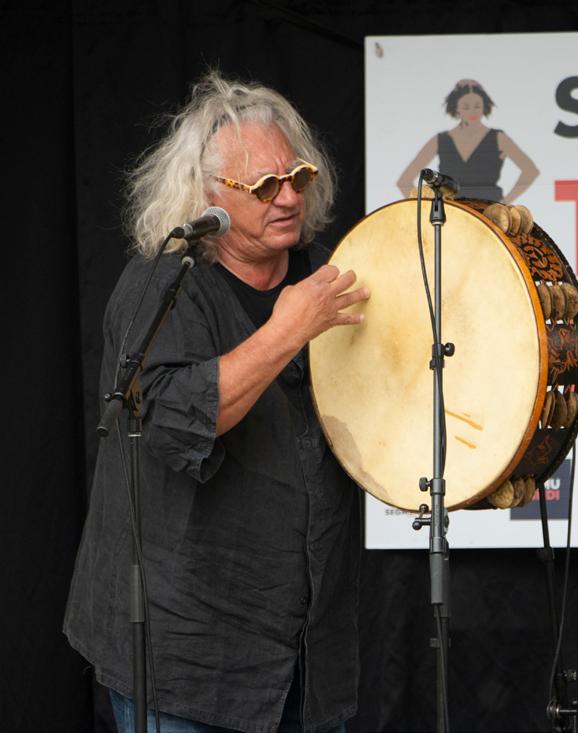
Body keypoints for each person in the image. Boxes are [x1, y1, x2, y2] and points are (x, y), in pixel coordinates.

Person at [64, 70, 370, 733]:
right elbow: (177, 420)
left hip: (304, 649)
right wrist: (287, 331)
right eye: (263, 186)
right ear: (207, 197)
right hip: (186, 654)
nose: (288, 197)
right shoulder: (160, 286)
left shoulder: (329, 279)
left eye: (298, 176)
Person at [397, 79, 539, 203]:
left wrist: (505, 203)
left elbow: (530, 170)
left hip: (489, 212)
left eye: (477, 106)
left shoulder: (498, 138)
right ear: (456, 109)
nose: (472, 112)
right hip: (452, 213)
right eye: (466, 107)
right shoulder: (441, 140)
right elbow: (404, 181)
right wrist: (425, 207)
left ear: (484, 107)